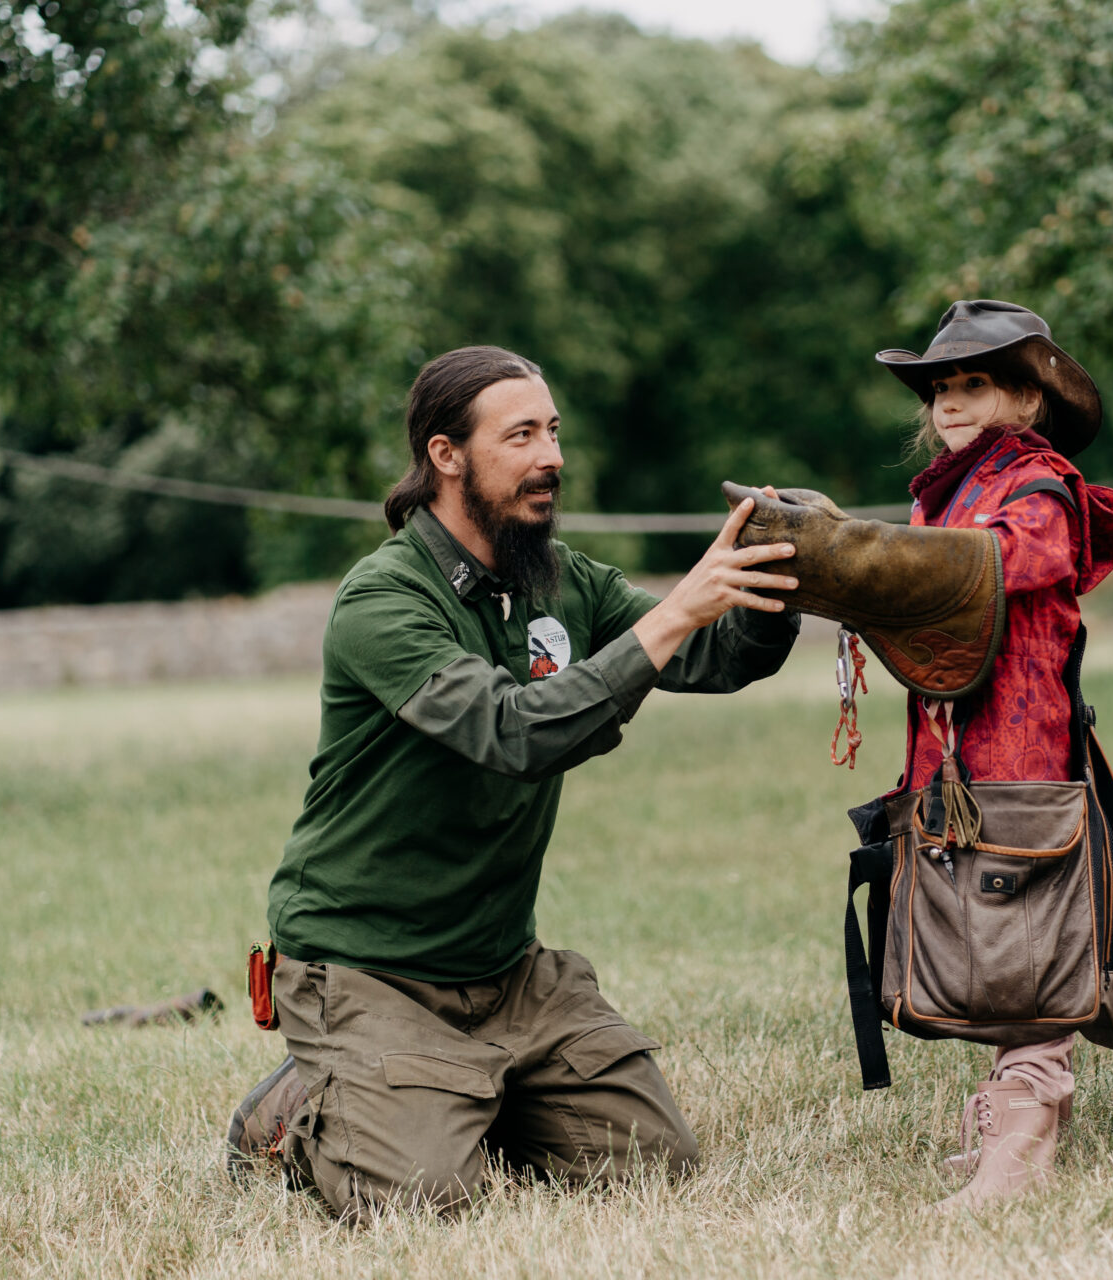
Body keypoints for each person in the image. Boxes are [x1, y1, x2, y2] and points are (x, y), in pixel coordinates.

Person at [224, 345, 801, 1218]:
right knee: (419, 1203)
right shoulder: (384, 600)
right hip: (366, 966)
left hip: (505, 971)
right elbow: (510, 732)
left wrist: (782, 578)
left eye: (555, 432)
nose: (551, 457)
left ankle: (443, 1094)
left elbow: (712, 657)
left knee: (654, 1164)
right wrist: (684, 603)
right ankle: (296, 1110)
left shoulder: (561, 579)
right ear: (445, 455)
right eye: (522, 435)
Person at [874, 299, 1113, 1211]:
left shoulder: (1037, 487)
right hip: (958, 756)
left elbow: (986, 566)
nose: (949, 400)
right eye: (941, 386)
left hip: (1021, 753)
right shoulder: (943, 492)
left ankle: (1027, 1119)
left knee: (1025, 934)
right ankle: (1011, 1099)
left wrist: (858, 559)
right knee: (990, 940)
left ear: (1027, 399)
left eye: (972, 383)